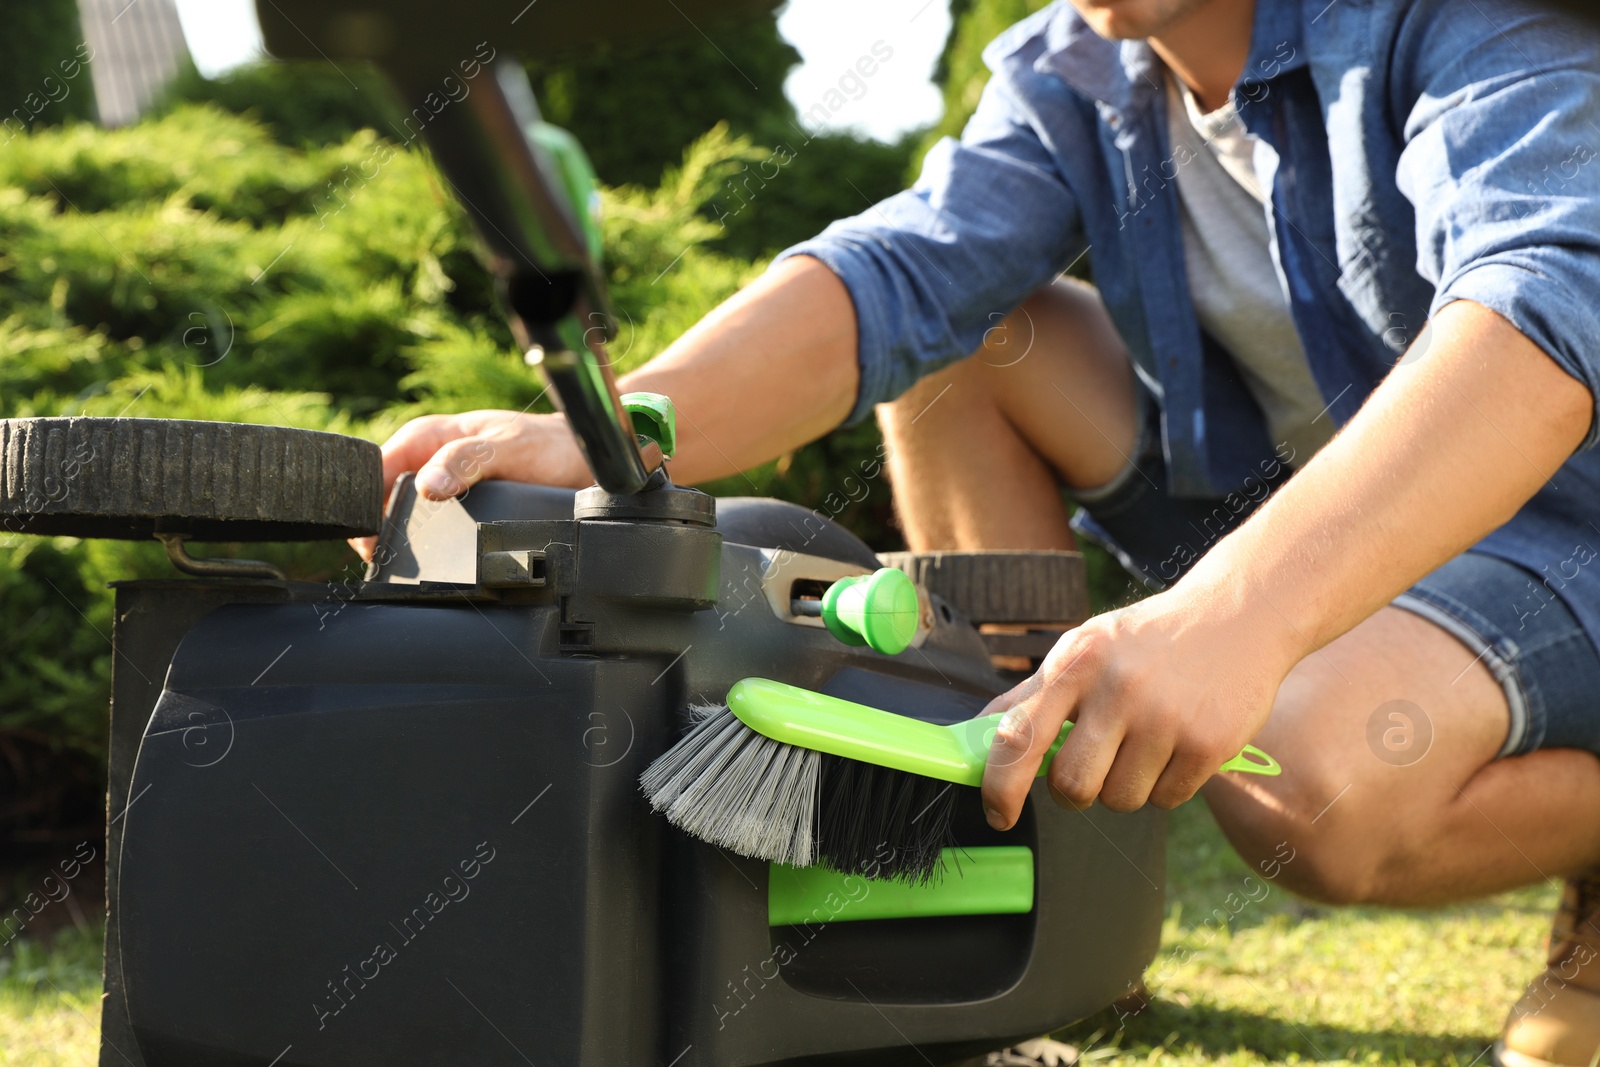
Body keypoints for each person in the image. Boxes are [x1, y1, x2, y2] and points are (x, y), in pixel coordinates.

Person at [361, 0, 1600, 1063]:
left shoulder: (1458, 26)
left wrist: (1235, 617)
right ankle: (1055, 897)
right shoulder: (1078, 69)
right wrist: (613, 434)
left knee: (1313, 789)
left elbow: (1544, 308)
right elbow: (899, 272)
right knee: (961, 353)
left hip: (1560, 517)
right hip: (1302, 501)